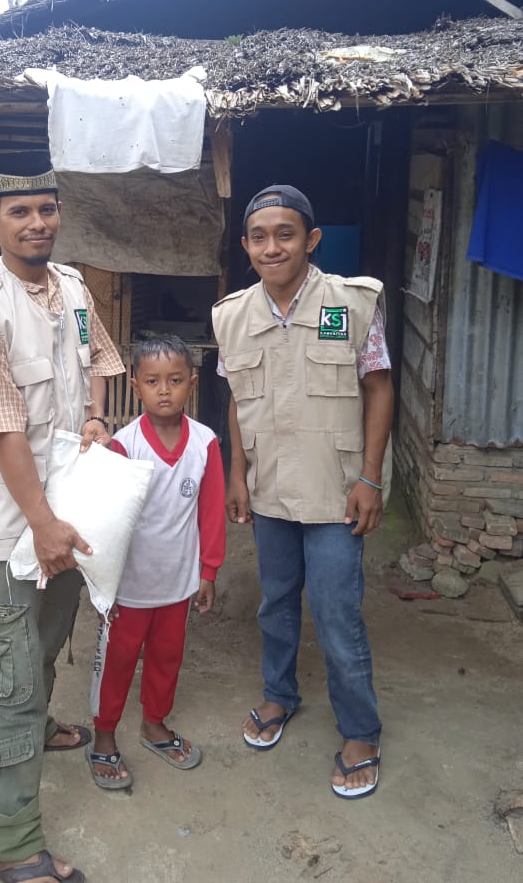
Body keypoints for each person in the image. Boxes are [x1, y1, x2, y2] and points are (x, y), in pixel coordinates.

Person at [0, 168, 124, 883]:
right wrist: (43, 524)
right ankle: (6, 839)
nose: (36, 223)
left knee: (48, 631)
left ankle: (39, 726)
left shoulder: (73, 289)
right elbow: (2, 430)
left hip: (65, 502)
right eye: (19, 211)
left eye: (46, 209)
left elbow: (97, 357)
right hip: (10, 518)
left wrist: (97, 416)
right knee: (6, 669)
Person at [211, 184, 394, 801]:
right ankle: (278, 695)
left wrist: (371, 477)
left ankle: (361, 732)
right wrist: (237, 473)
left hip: (336, 489)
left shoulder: (352, 303)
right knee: (276, 603)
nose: (272, 247)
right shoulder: (232, 315)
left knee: (338, 614)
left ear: (311, 240)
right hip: (270, 489)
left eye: (285, 234)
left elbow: (379, 389)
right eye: (259, 237)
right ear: (245, 246)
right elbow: (237, 399)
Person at [87, 334, 226, 789]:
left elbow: (211, 512)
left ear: (193, 383)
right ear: (135, 386)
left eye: (175, 380)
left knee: (168, 657)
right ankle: (104, 735)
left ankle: (154, 724)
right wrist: (104, 585)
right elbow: (109, 521)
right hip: (129, 586)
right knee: (118, 659)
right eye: (152, 381)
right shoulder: (124, 446)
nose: (164, 390)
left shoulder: (205, 443)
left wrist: (208, 571)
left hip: (177, 582)